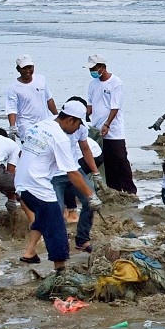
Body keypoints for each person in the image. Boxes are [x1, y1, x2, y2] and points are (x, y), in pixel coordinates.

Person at [14, 104, 100, 271]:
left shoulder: (40, 125)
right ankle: (60, 270)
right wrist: (91, 196)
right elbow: (73, 174)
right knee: (57, 227)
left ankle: (29, 253)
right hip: (37, 185)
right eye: (78, 125)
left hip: (21, 183)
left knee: (44, 216)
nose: (77, 130)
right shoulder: (60, 137)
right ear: (70, 120)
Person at [85, 55, 136, 194]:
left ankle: (130, 190)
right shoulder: (92, 84)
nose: (92, 71)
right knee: (107, 161)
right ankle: (114, 189)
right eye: (90, 69)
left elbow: (115, 107)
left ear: (102, 67)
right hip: (97, 129)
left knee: (120, 159)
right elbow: (90, 106)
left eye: (94, 68)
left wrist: (107, 124)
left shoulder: (115, 82)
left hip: (114, 129)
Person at [4, 56, 56, 135]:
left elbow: (49, 99)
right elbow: (12, 109)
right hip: (26, 126)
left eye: (30, 67)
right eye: (24, 68)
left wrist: (57, 116)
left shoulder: (41, 80)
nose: (28, 71)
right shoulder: (13, 87)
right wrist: (12, 127)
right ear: (18, 69)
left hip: (44, 124)